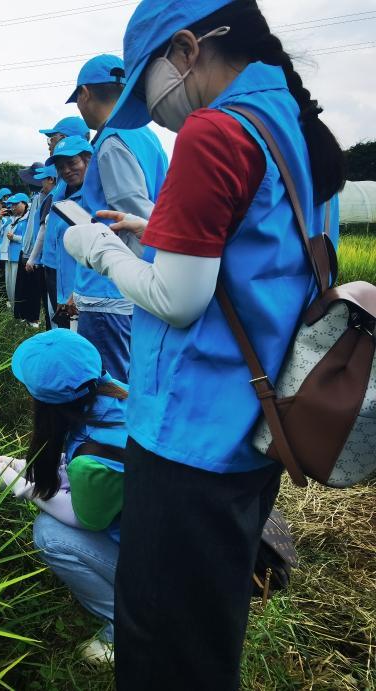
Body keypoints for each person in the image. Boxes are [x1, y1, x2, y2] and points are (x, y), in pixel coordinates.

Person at [62, 1, 346, 687]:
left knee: (160, 633)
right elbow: (261, 252)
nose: (156, 113)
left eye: (149, 85)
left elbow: (178, 298)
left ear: (187, 50)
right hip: (257, 420)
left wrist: (98, 248)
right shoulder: (290, 123)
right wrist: (156, 228)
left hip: (189, 432)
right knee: (206, 622)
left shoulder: (214, 131)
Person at [0, 329, 128, 664]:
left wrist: (18, 485)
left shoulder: (92, 461)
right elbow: (77, 464)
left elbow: (84, 518)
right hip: (172, 537)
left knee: (50, 533)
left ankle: (126, 627)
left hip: (160, 563)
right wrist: (20, 466)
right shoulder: (115, 394)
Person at [67, 53, 170, 381]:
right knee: (133, 378)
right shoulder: (145, 134)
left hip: (110, 290)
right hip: (132, 286)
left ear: (84, 94)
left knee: (109, 387)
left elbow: (134, 215)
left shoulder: (112, 140)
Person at [37, 118, 89, 328]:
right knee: (59, 324)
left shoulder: (91, 191)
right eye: (61, 166)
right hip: (55, 265)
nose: (49, 144)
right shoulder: (63, 185)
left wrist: (76, 290)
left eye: (52, 139)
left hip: (75, 278)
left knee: (73, 329)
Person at [45, 136, 95, 330]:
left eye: (72, 163)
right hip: (66, 291)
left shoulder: (95, 199)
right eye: (60, 167)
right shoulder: (64, 196)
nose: (66, 170)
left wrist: (76, 292)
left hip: (84, 294)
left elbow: (96, 250)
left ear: (88, 159)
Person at [15, 164, 49, 326]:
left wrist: (33, 255)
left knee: (38, 292)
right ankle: (29, 317)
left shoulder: (46, 198)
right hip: (29, 252)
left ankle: (35, 319)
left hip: (38, 256)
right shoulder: (36, 197)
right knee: (29, 289)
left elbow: (41, 229)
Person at [26, 165, 59, 327]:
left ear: (51, 179)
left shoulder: (52, 197)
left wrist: (32, 258)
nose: (41, 185)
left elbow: (43, 230)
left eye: (43, 181)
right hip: (53, 259)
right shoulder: (59, 195)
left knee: (53, 307)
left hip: (51, 260)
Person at [3, 193, 31, 313]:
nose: (13, 207)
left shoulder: (28, 220)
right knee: (9, 284)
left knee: (16, 285)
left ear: (24, 204)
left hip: (19, 257)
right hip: (9, 255)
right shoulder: (12, 219)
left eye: (16, 204)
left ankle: (19, 310)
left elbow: (30, 240)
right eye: (11, 205)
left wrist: (14, 237)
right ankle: (13, 309)